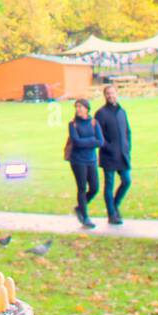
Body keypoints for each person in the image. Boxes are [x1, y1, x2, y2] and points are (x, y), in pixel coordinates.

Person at [94, 84, 131, 225]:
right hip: (109, 155)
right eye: (108, 93)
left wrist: (128, 147)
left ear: (117, 94)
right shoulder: (101, 113)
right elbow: (99, 136)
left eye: (113, 93)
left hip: (123, 154)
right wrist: (109, 148)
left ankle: (115, 205)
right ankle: (111, 214)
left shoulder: (122, 111)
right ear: (105, 96)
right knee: (109, 184)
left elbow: (127, 131)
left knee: (127, 181)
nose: (111, 95)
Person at [67, 98, 104, 230]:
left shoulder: (94, 122)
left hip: (91, 159)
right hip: (78, 160)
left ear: (87, 109)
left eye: (80, 107)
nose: (78, 109)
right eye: (76, 107)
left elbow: (100, 141)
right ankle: (85, 216)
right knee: (82, 187)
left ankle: (80, 207)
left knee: (94, 187)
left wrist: (86, 141)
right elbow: (76, 141)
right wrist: (91, 140)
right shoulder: (73, 124)